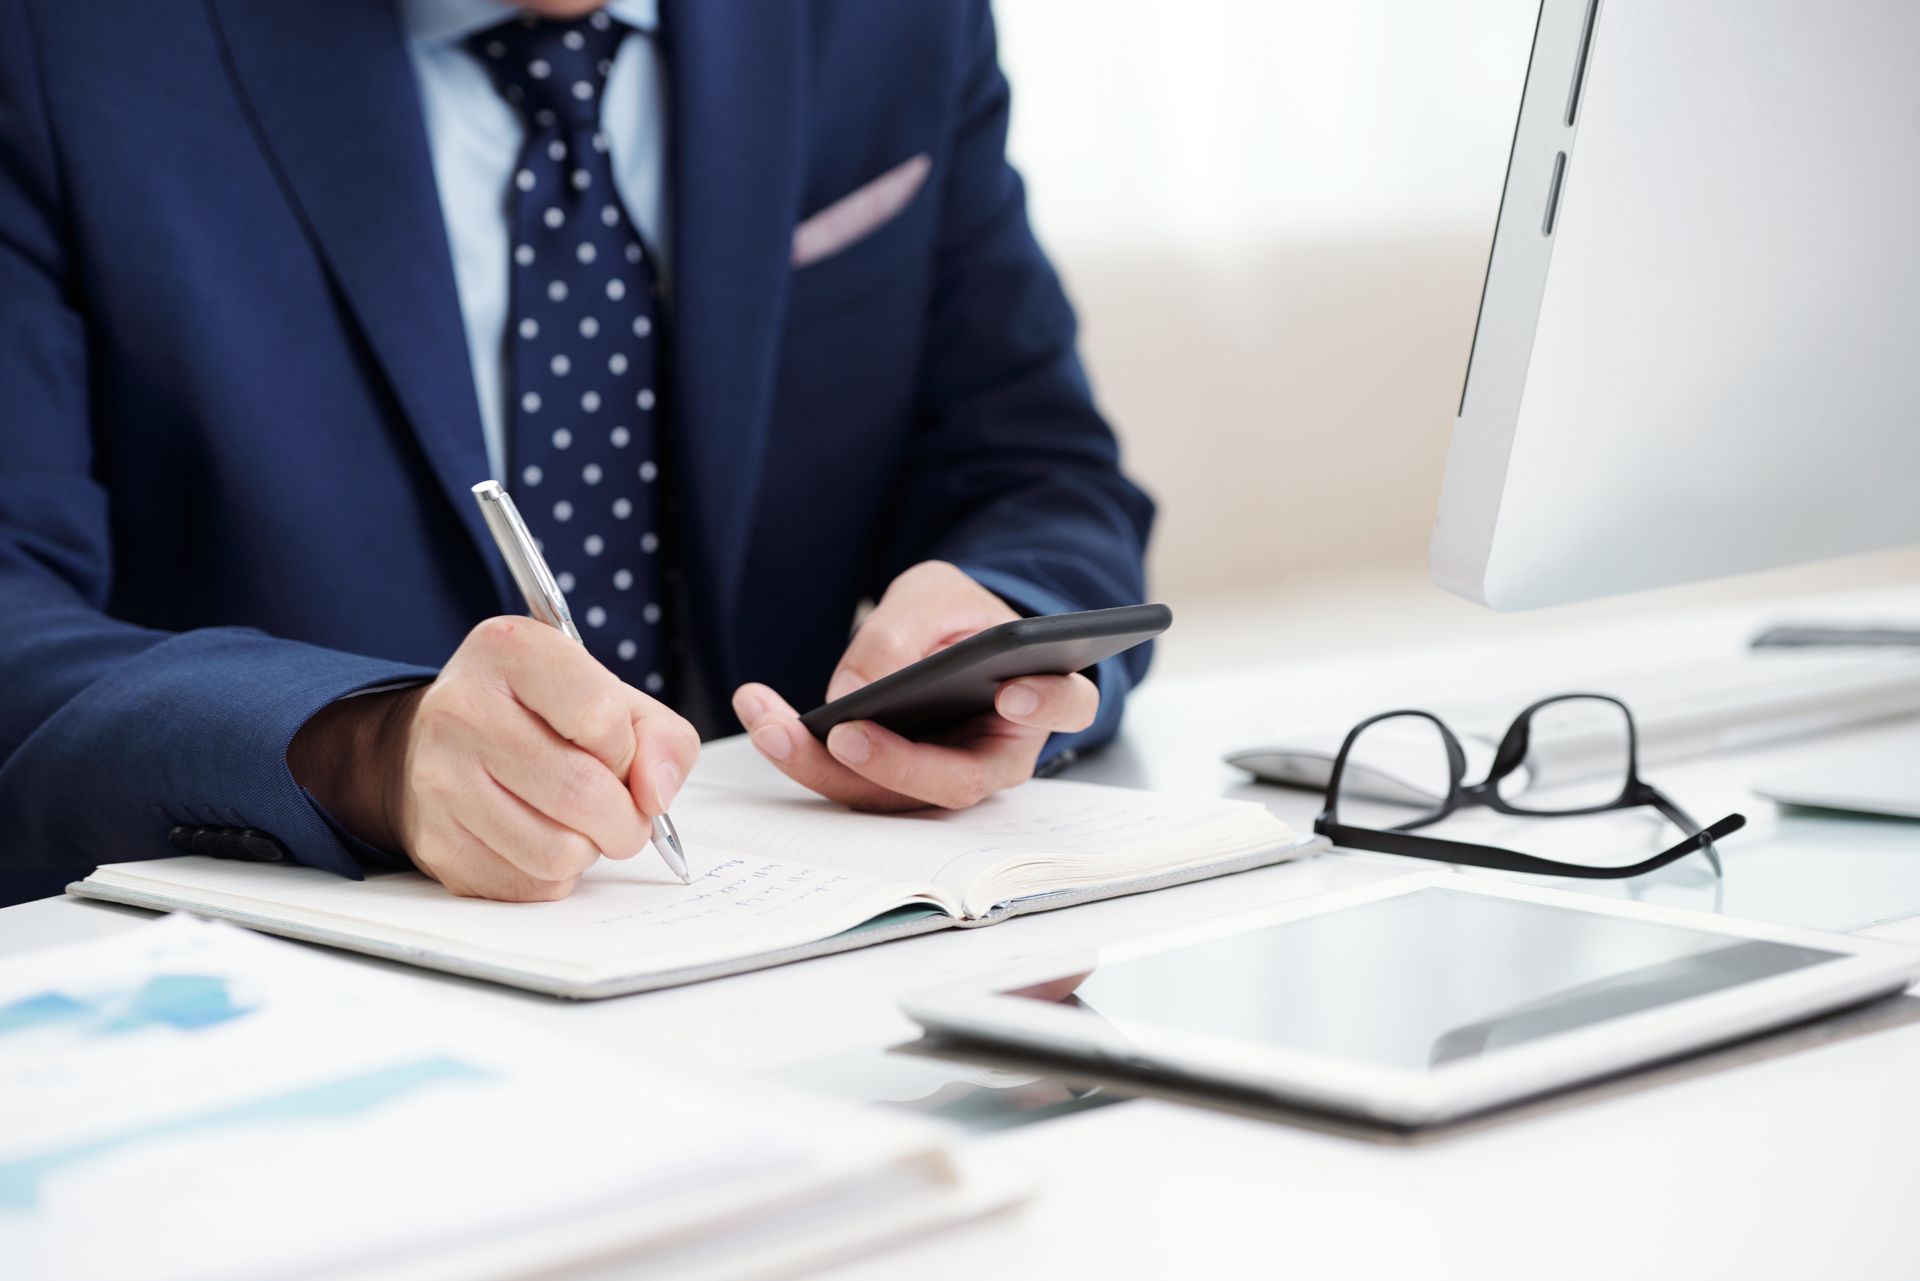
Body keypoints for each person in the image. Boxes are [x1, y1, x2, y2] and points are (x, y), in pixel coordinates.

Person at [0, 0, 1155, 907]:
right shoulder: (61, 43)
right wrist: (362, 747)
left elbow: (1035, 469)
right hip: (281, 983)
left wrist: (991, 648)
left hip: (805, 927)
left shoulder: (889, 20)